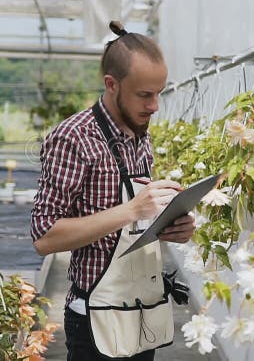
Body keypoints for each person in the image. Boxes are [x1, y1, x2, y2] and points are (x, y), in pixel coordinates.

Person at [31, 21, 196, 361]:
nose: (154, 106)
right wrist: (133, 210)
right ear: (111, 84)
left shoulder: (140, 135)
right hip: (96, 319)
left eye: (159, 92)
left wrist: (168, 227)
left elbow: (127, 229)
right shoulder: (74, 138)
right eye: (144, 94)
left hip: (140, 308)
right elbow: (44, 237)